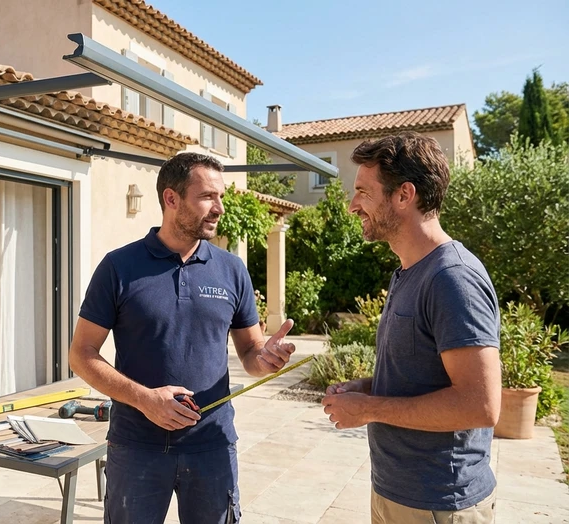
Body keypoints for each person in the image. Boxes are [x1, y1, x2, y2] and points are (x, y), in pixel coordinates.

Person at [68, 152, 297, 524]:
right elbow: (81, 354)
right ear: (171, 199)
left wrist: (266, 358)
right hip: (137, 446)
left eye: (220, 197)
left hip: (212, 446)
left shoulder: (232, 270)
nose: (219, 208)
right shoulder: (119, 267)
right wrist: (144, 399)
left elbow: (251, 354)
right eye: (207, 196)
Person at [321, 132, 501, 523]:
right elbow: (421, 375)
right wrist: (366, 387)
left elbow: (481, 405)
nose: (353, 205)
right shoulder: (407, 272)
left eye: (364, 193)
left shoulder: (453, 278)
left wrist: (369, 409)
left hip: (439, 502)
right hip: (396, 493)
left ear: (404, 195)